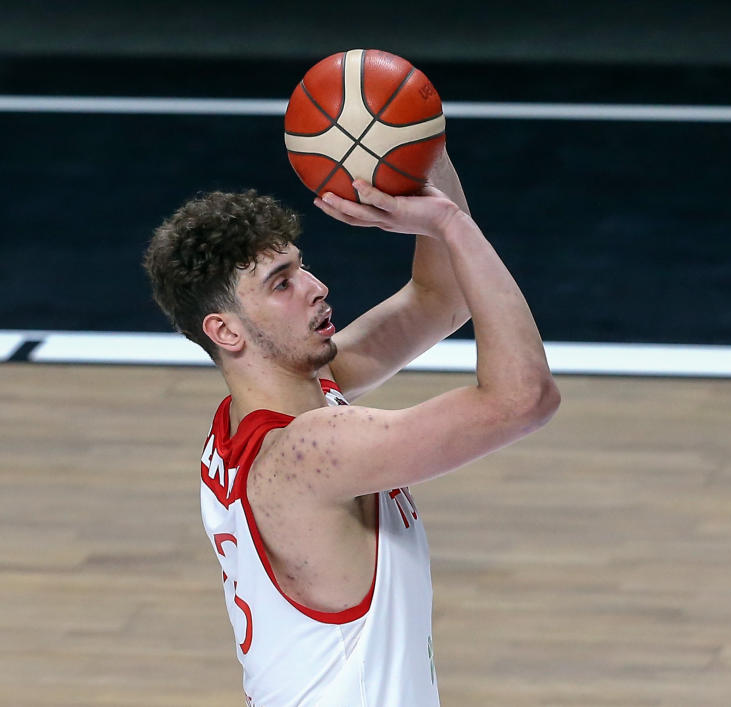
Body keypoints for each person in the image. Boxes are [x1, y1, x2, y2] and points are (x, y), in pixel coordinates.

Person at [143, 149, 560, 706]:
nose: (317, 286)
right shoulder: (307, 454)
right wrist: (451, 225)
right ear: (225, 331)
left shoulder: (260, 416)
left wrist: (424, 147)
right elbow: (524, 399)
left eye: (300, 266)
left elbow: (441, 299)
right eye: (281, 284)